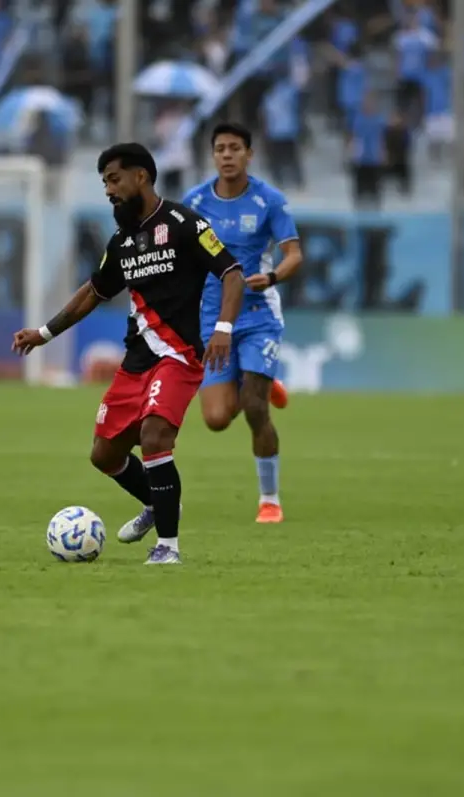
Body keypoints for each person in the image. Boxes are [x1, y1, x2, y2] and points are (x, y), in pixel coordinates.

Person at [12, 143, 245, 564]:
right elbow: (94, 292)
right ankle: (158, 503)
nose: (108, 190)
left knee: (156, 434)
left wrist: (223, 328)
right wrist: (44, 333)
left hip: (178, 356)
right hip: (135, 361)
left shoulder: (182, 224)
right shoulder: (121, 242)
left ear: (141, 176)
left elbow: (231, 273)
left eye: (114, 179)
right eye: (103, 182)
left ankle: (168, 548)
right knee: (104, 454)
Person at [182, 122, 303, 524]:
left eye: (235, 148)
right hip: (211, 318)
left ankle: (270, 500)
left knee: (253, 408)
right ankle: (264, 383)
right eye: (220, 149)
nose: (228, 155)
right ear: (213, 155)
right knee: (216, 420)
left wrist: (271, 277)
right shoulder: (195, 201)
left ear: (249, 154)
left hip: (257, 315)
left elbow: (293, 254)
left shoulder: (269, 201)